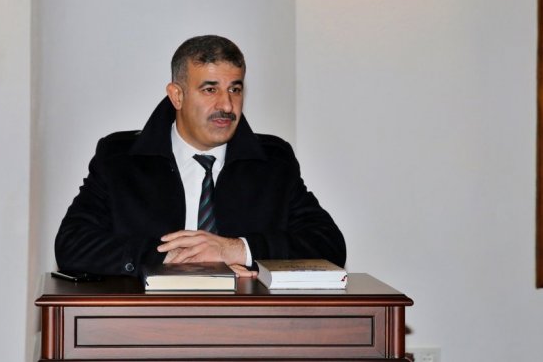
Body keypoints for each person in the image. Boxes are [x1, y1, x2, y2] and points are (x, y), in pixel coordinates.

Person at [55, 35, 346, 278]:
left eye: (235, 89)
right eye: (210, 90)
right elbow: (72, 244)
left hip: (247, 320)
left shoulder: (272, 162)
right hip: (147, 320)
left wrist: (235, 250)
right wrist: (166, 257)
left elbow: (329, 244)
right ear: (177, 96)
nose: (227, 105)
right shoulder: (120, 159)